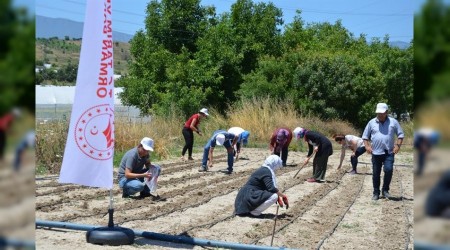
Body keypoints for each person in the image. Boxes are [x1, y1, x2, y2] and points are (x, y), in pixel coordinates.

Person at [362, 103, 404, 201]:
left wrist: (398, 145)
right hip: (376, 153)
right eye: (378, 113)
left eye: (382, 113)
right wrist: (367, 146)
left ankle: (385, 190)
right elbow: (365, 136)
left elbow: (400, 135)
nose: (380, 115)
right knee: (376, 173)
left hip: (389, 152)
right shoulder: (371, 122)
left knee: (388, 170)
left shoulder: (393, 122)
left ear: (386, 112)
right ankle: (376, 192)